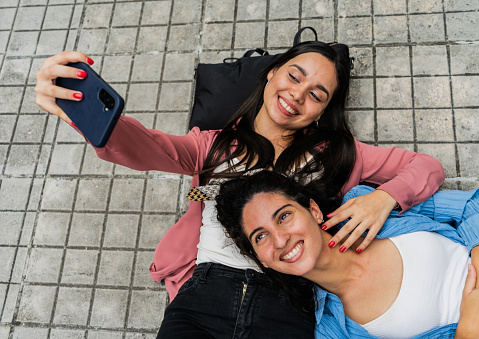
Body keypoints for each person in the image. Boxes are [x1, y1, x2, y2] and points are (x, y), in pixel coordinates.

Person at [35, 42, 445, 337]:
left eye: (316, 94)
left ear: (323, 111)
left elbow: (426, 167)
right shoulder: (212, 145)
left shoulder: (338, 154)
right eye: (293, 76)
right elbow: (150, 147)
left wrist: (383, 198)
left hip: (288, 303)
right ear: (271, 72)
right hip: (203, 299)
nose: (297, 95)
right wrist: (93, 120)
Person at [215, 170, 479, 338]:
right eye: (261, 236)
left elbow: (468, 205)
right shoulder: (332, 330)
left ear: (314, 210)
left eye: (284, 216)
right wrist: (472, 330)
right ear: (262, 259)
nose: (280, 240)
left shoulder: (364, 209)